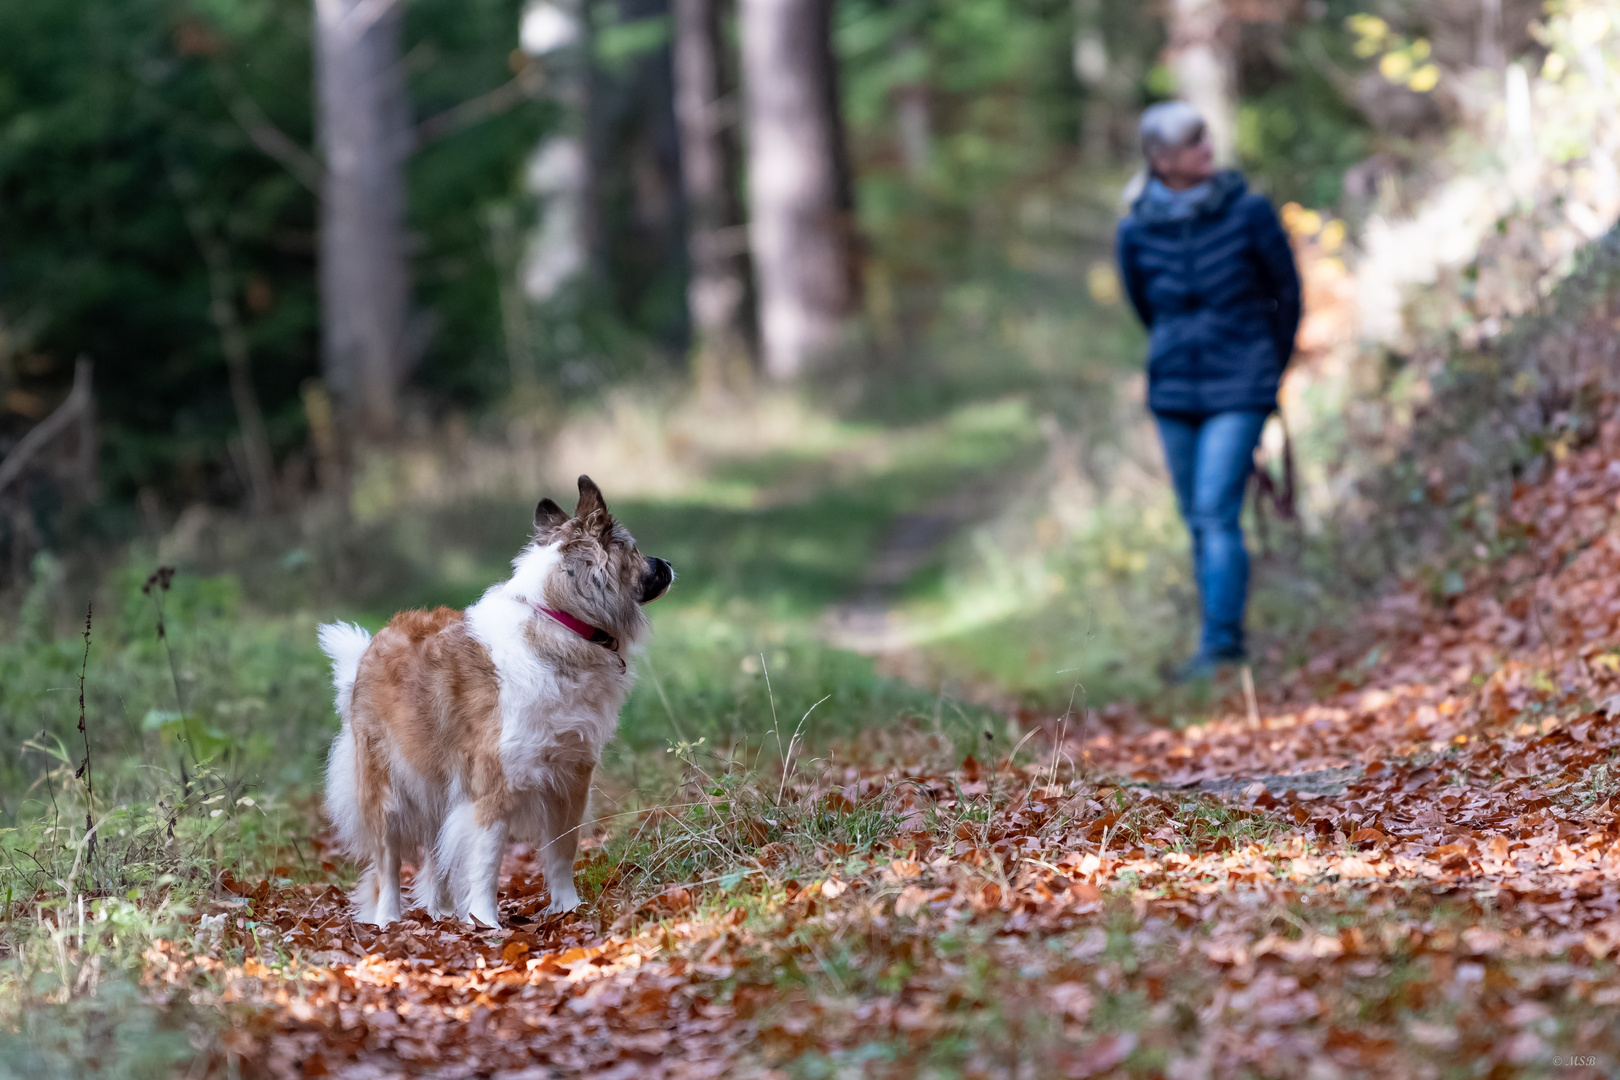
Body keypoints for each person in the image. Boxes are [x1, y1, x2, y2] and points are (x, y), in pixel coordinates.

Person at [1115, 101, 1302, 681]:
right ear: (1161, 159)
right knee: (1195, 516)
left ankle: (1221, 647)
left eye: (1206, 140)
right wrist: (1175, 348)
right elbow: (1143, 303)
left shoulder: (1249, 212)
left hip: (1241, 381)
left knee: (1217, 510)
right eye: (1193, 144)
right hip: (1173, 386)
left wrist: (1270, 367)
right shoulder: (1135, 227)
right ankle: (1216, 641)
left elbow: (1287, 294)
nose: (1207, 151)